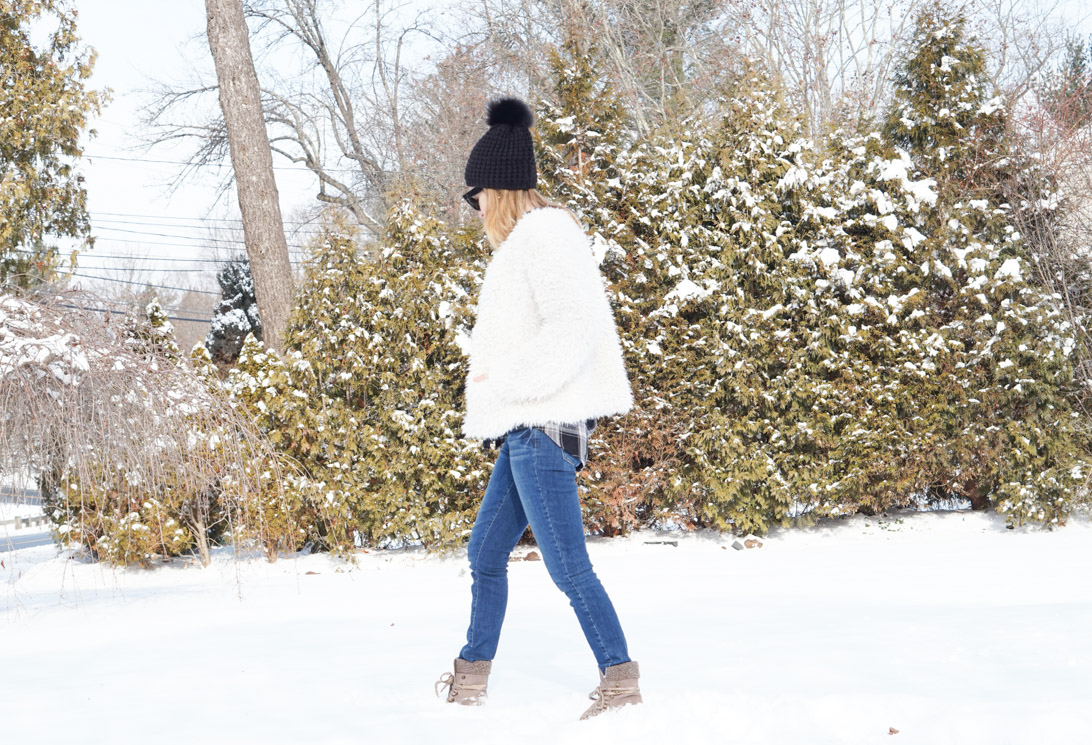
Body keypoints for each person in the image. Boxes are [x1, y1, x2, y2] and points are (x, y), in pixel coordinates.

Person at [434, 97, 641, 720]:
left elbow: (572, 329)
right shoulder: (526, 242)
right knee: (485, 554)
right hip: (524, 427)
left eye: (476, 198)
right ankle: (470, 677)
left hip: (544, 426)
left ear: (496, 191)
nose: (474, 211)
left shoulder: (548, 234)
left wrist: (508, 377)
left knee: (567, 565)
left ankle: (620, 679)